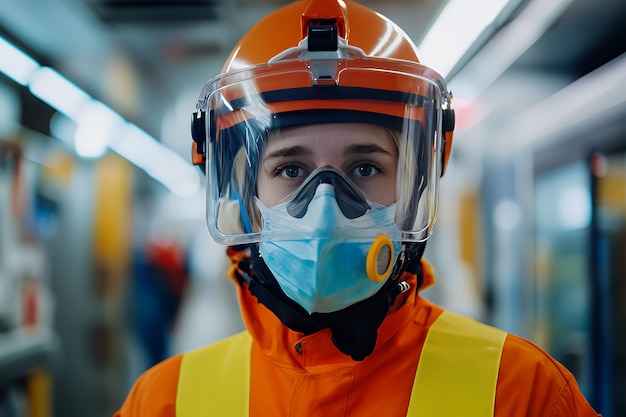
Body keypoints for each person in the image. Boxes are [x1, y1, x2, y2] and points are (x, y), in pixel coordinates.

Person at [115, 0, 601, 416]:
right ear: (246, 199)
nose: (325, 208)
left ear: (414, 188)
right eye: (290, 170)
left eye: (365, 168)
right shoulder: (165, 402)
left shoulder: (522, 394)